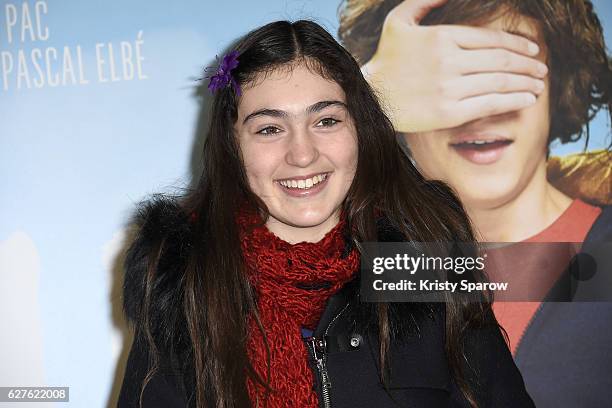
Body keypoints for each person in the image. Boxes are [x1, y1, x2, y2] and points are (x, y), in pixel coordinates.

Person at [117, 19, 534, 408]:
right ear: (233, 146)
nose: (302, 154)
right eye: (269, 129)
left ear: (359, 130)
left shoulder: (421, 259)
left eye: (327, 120)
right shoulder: (186, 280)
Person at [338, 0, 612, 406]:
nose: (483, 112)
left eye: (509, 70)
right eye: (450, 76)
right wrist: (363, 99)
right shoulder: (358, 261)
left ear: (561, 86)